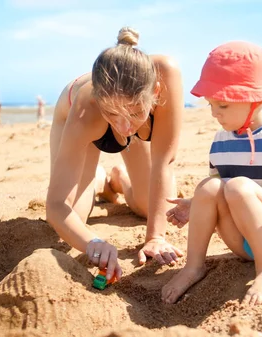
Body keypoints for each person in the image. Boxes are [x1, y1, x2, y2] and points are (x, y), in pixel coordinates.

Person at [161, 41, 262, 306]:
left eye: (223, 106)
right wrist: (195, 205)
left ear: (254, 99)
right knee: (208, 187)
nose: (215, 113)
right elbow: (217, 193)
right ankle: (194, 266)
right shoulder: (221, 141)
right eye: (210, 105)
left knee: (238, 186)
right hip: (242, 239)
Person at [46, 27, 184, 282]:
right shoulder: (86, 111)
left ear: (154, 94)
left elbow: (164, 162)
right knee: (76, 217)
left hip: (124, 98)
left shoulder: (166, 77)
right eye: (113, 116)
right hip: (79, 115)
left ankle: (117, 180)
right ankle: (96, 179)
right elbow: (55, 207)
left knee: (148, 206)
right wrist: (93, 242)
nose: (124, 128)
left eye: (133, 114)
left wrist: (155, 238)